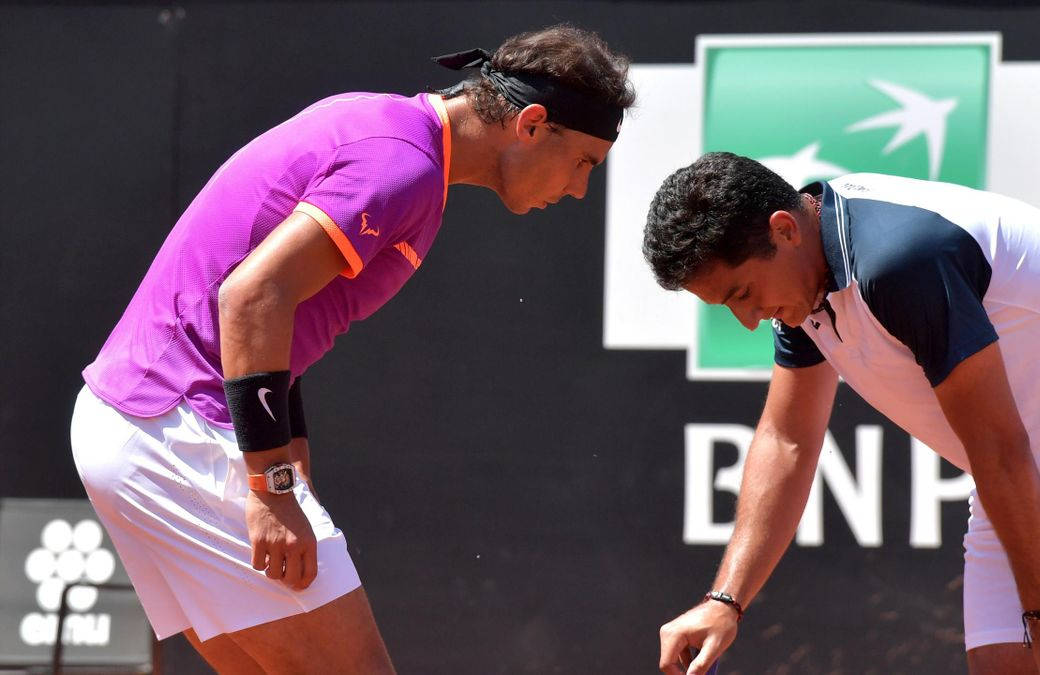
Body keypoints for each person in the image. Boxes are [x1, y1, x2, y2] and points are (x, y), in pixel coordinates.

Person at [70, 24, 634, 673]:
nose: (578, 189)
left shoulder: (398, 139)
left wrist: (289, 449)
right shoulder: (404, 165)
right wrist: (270, 481)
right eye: (584, 163)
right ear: (532, 125)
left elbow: (285, 308)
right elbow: (252, 295)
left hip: (132, 423)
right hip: (179, 424)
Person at [644, 152, 1040, 675]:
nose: (749, 319)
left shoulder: (900, 260)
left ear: (784, 229)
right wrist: (726, 603)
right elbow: (788, 440)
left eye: (743, 293)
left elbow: (999, 447)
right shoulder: (806, 276)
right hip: (1023, 476)